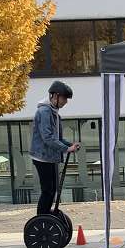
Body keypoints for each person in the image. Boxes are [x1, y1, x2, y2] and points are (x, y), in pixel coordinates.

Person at [31, 81, 80, 214]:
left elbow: (57, 138)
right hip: (42, 158)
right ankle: (42, 218)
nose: (66, 102)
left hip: (50, 157)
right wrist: (66, 149)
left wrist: (70, 145)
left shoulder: (54, 113)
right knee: (48, 190)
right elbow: (47, 138)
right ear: (55, 96)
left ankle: (46, 215)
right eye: (64, 98)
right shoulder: (44, 112)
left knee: (52, 190)